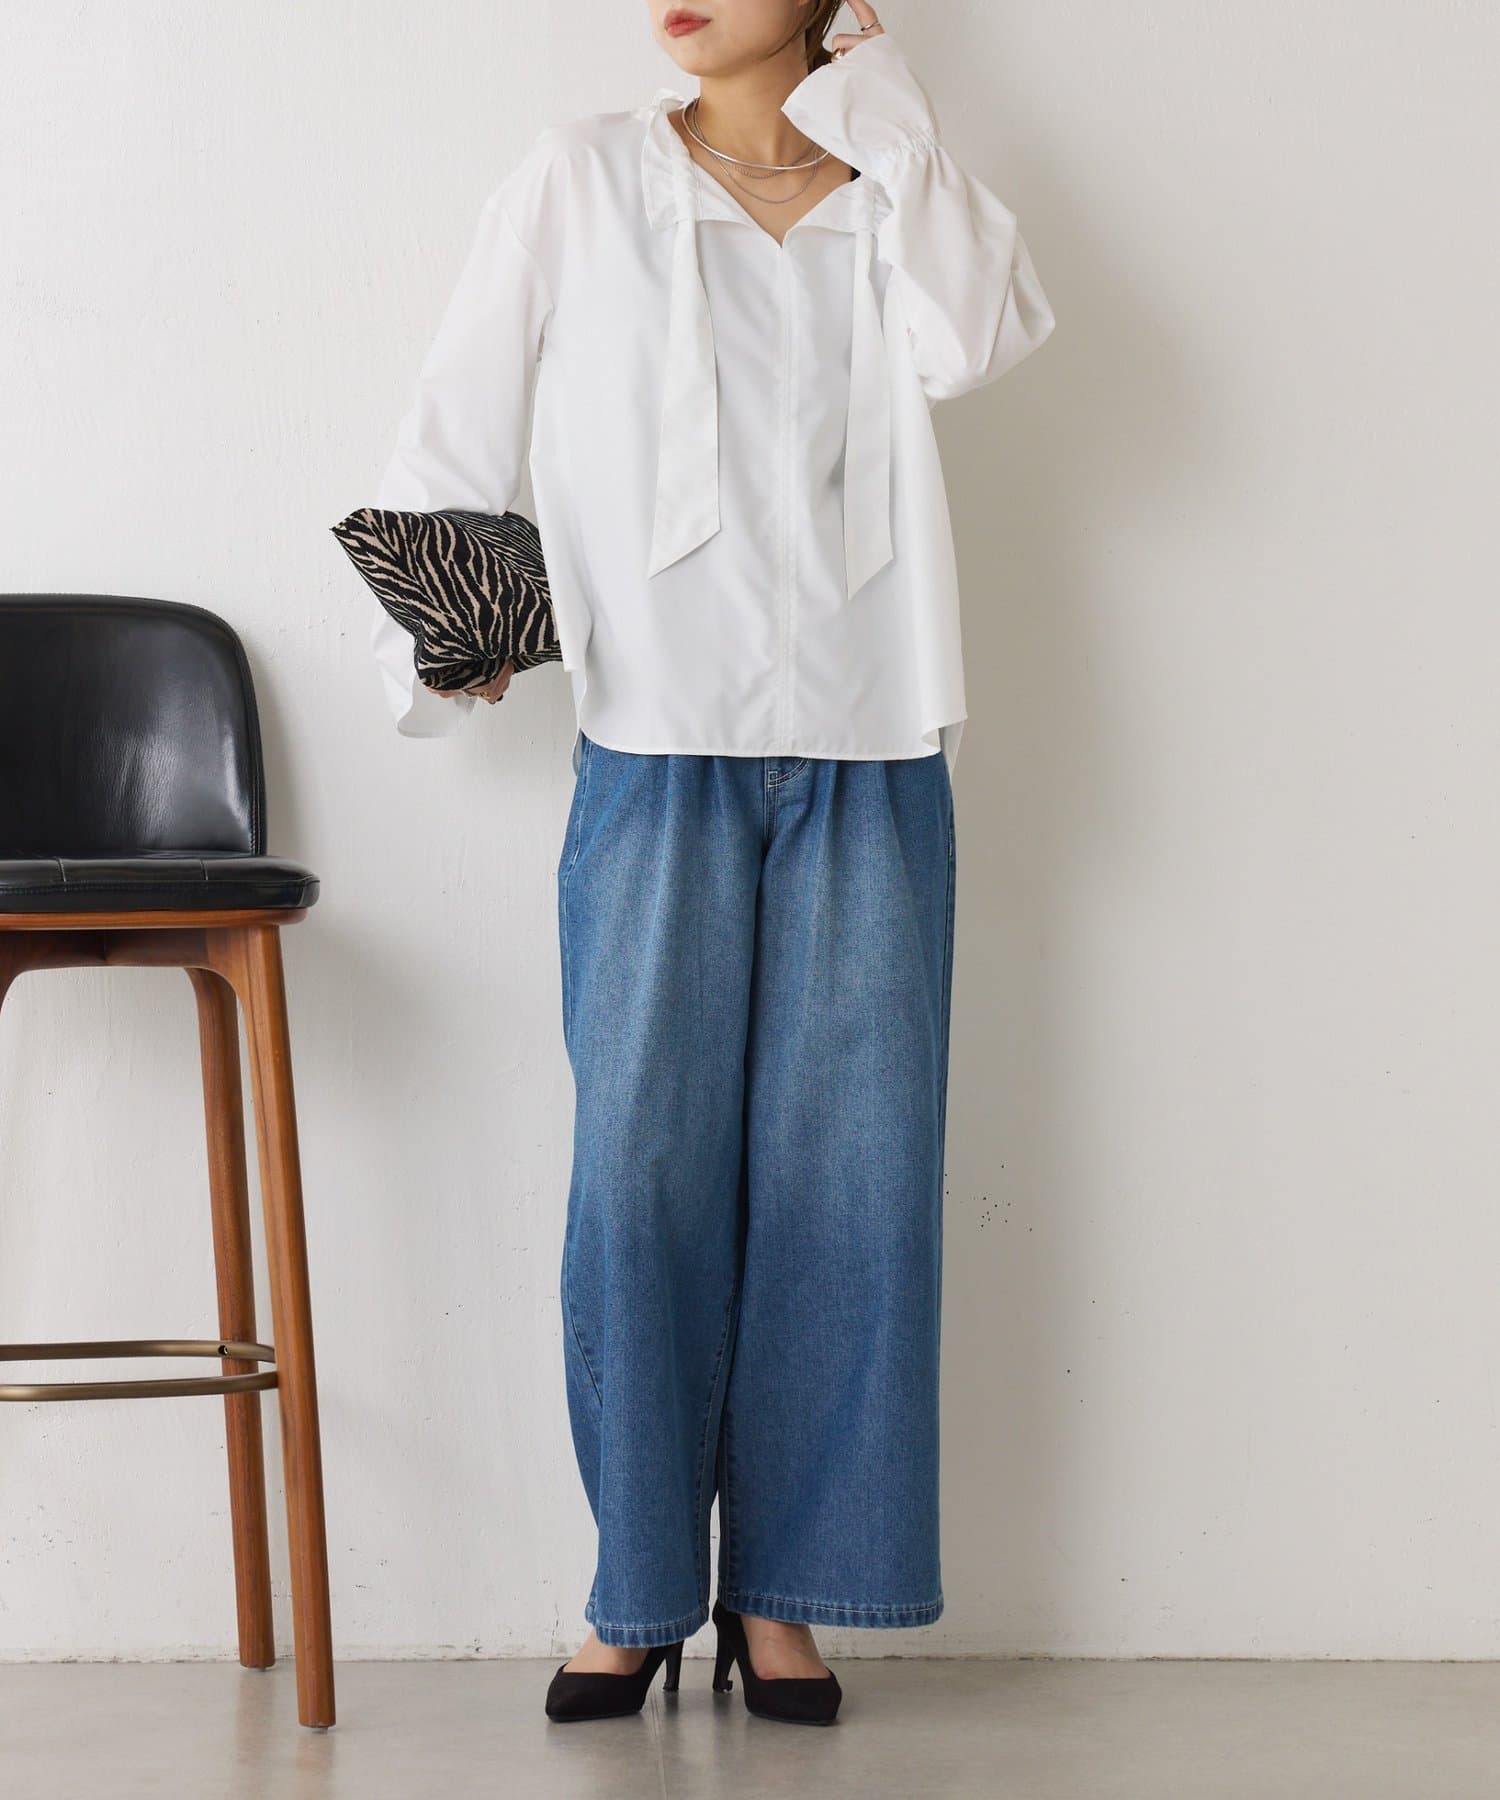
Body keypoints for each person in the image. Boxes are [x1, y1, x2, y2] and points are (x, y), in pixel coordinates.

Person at [369, 0, 1055, 1726]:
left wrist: (881, 100)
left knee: (854, 1183)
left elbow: (978, 340)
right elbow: (454, 426)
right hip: (654, 744)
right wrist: (444, 643)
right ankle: (639, 1588)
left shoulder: (896, 192)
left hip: (873, 736)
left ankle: (787, 1599)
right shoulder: (580, 178)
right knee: (641, 1176)